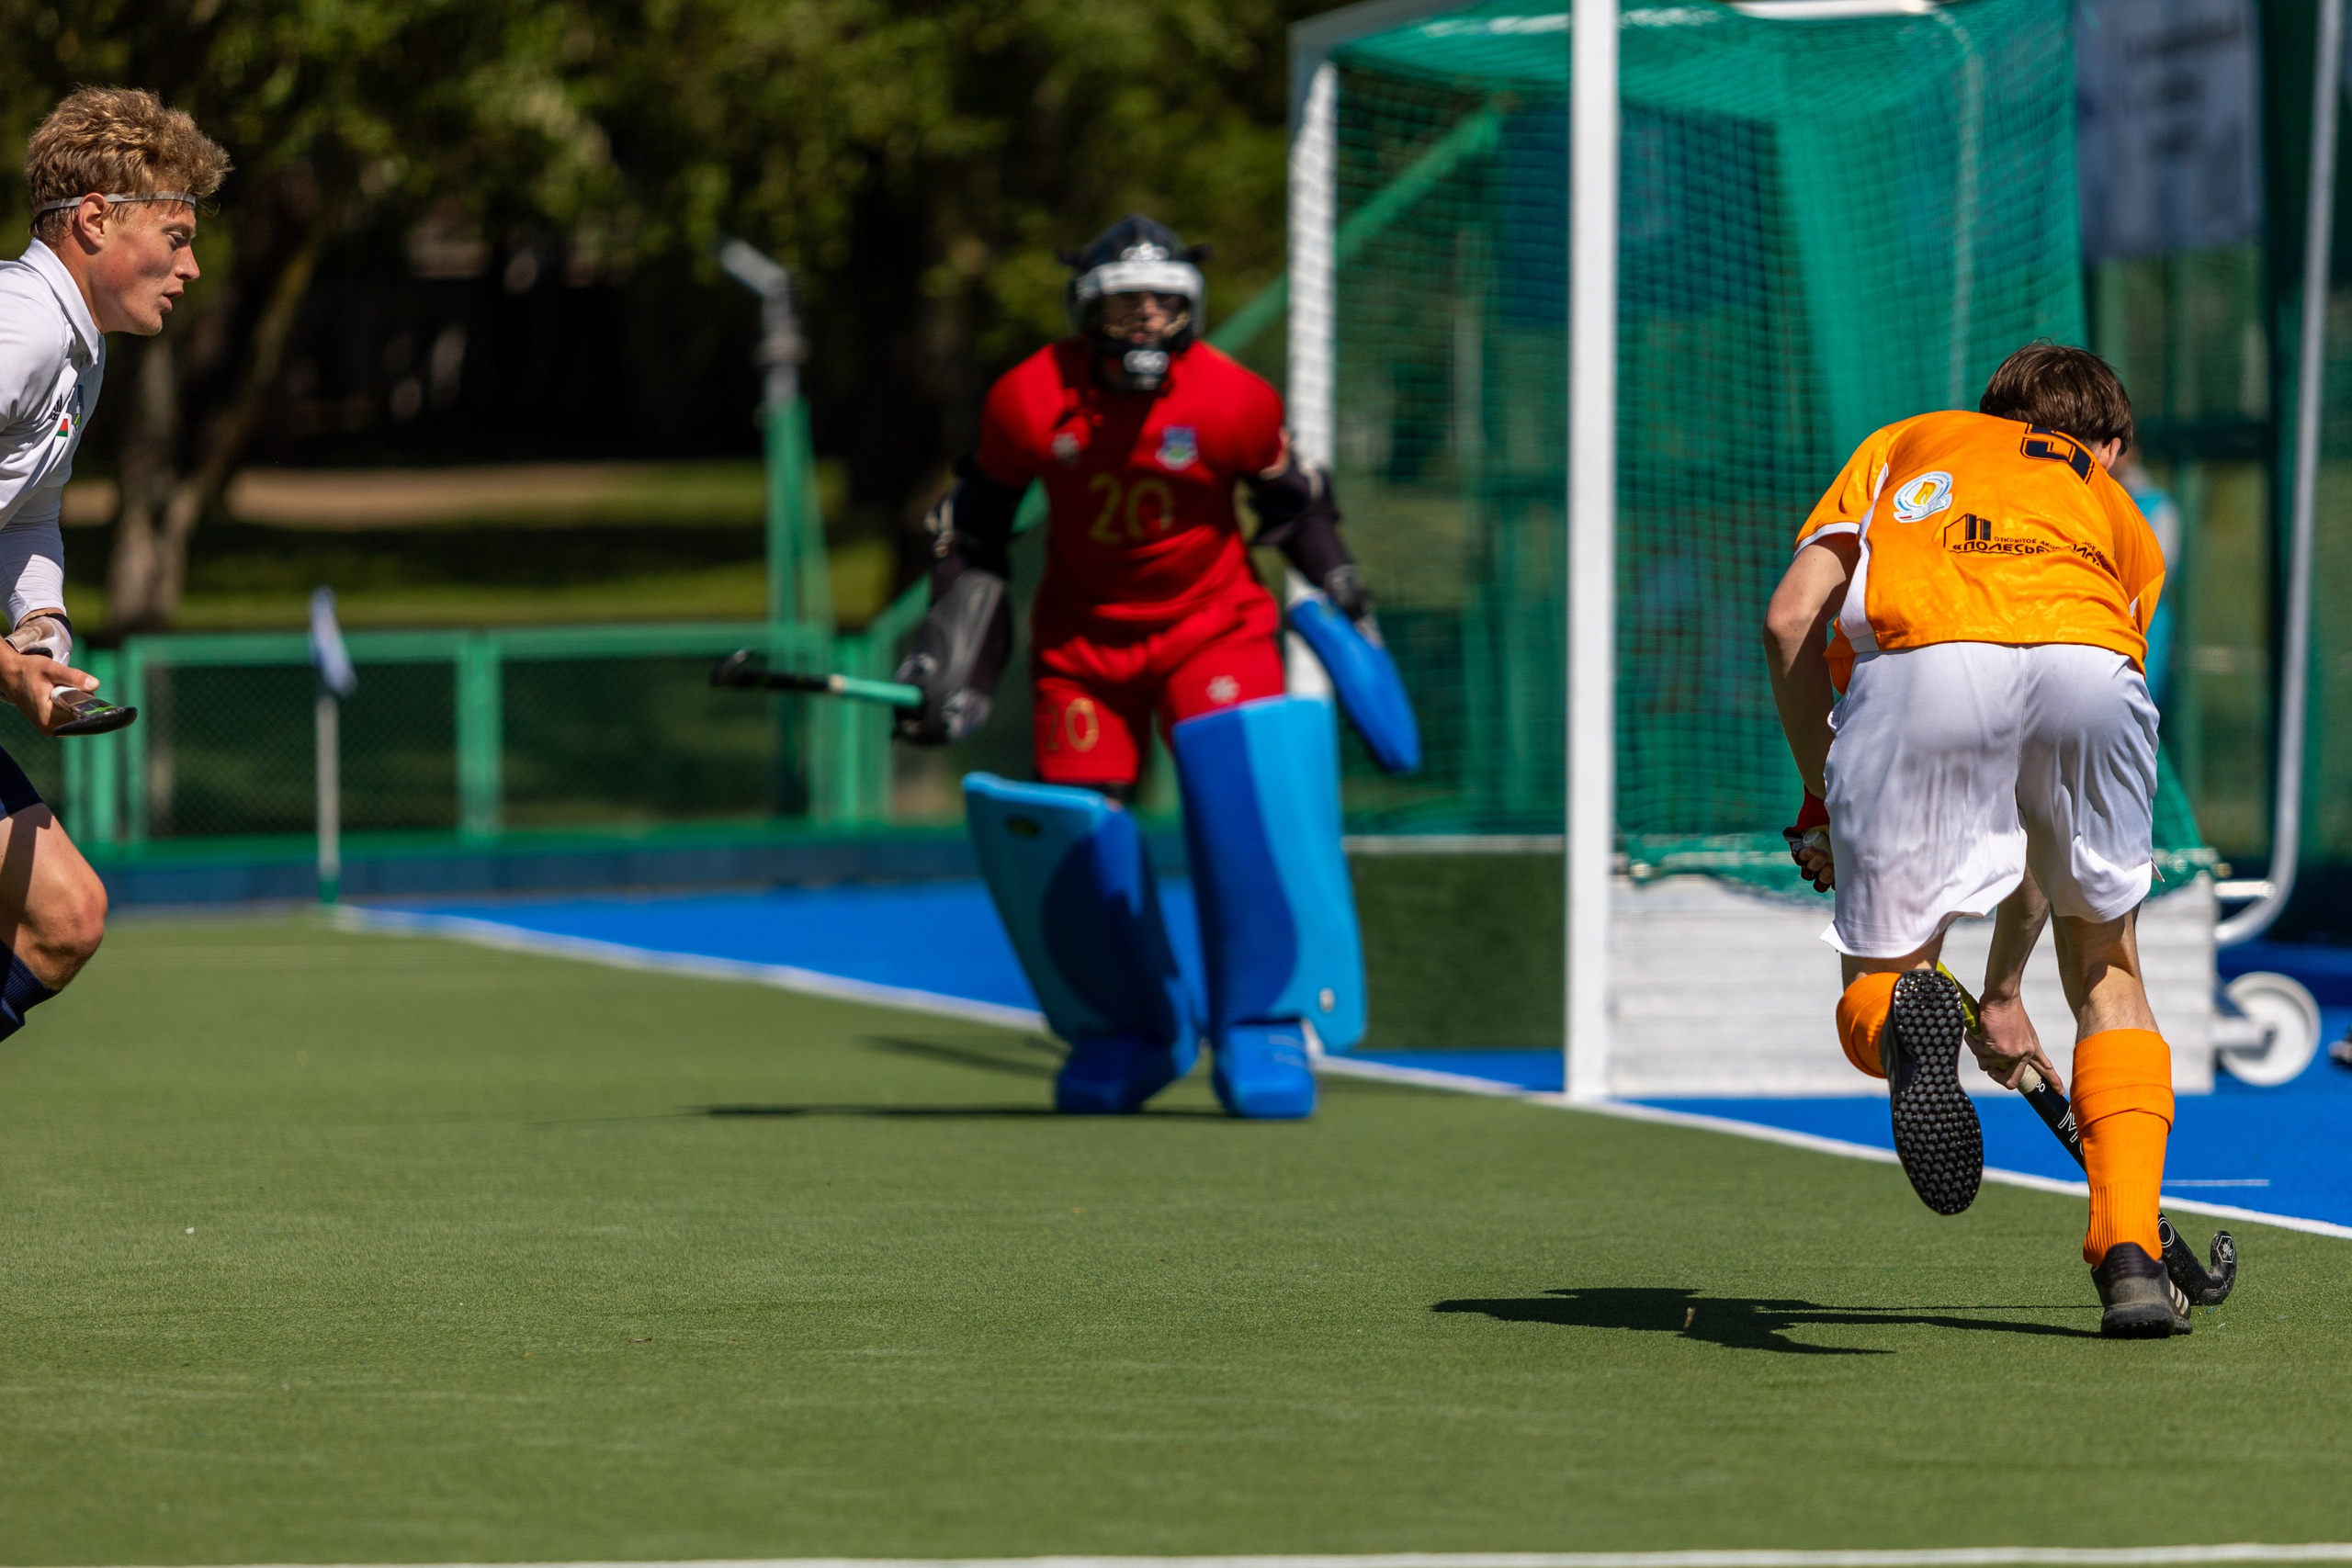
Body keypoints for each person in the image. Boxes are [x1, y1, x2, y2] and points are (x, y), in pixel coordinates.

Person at [898, 214, 1389, 1120]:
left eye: (1164, 301)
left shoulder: (1235, 400)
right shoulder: (1027, 399)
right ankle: (1131, 1030)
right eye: (1124, 302)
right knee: (1081, 836)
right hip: (1082, 649)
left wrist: (1345, 593)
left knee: (1239, 811)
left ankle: (1260, 1025)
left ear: (1190, 307)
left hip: (1216, 629)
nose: (1146, 319)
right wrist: (947, 640)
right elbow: (975, 525)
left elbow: (1296, 505)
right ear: (1088, 307)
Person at [1762, 343, 2188, 1337]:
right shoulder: (2118, 509)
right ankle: (2125, 1251)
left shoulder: (1907, 445)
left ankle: (1900, 1025)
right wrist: (2003, 990)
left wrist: (1821, 800)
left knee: (1883, 979)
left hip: (1923, 665)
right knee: (2109, 971)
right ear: (2112, 446)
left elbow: (1790, 622)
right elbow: (2043, 819)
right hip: (2088, 664)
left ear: (1989, 414)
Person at [0, 87, 229, 1040]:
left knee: (63, 917)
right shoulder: (24, 328)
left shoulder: (78, 350)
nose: (193, 265)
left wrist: (37, 627)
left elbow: (30, 512)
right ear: (95, 219)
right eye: (174, 237)